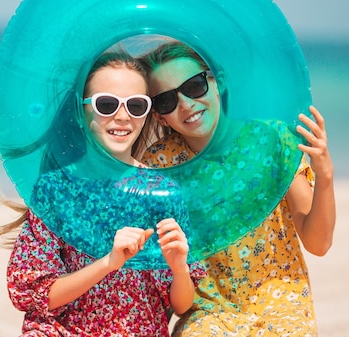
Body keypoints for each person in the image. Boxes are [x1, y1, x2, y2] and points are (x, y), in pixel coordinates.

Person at [0, 51, 206, 336]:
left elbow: (181, 306)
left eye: (136, 105)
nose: (122, 116)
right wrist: (108, 262)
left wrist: (180, 269)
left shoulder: (164, 193)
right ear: (81, 112)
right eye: (106, 105)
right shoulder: (55, 190)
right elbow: (36, 296)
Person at [138, 40, 336, 336]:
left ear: (217, 82)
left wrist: (325, 175)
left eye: (194, 87)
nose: (186, 105)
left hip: (282, 303)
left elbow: (318, 244)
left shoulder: (272, 139)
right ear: (158, 115)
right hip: (208, 312)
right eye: (167, 100)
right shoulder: (159, 165)